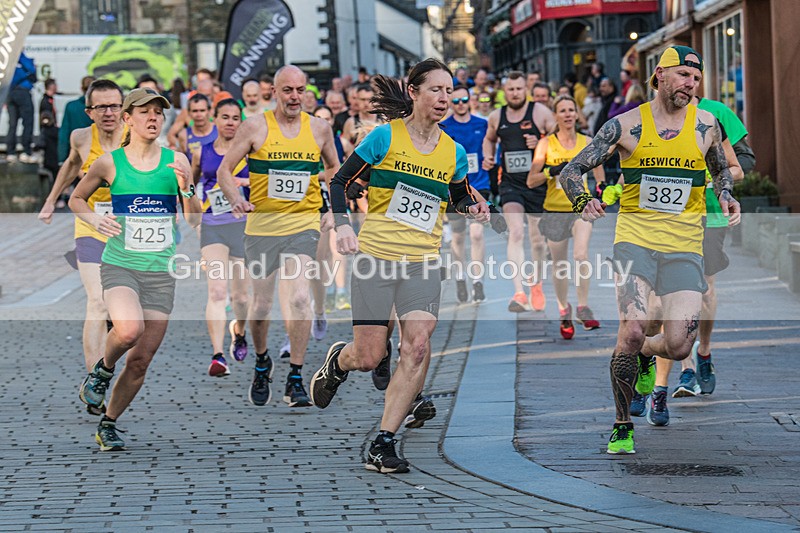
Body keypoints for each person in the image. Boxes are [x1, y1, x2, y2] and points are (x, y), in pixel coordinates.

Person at [309, 59, 491, 474]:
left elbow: (458, 196)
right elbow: (339, 182)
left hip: (423, 261)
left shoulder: (454, 152)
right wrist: (341, 226)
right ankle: (340, 360)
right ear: (413, 92)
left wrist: (474, 207)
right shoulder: (383, 138)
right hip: (376, 258)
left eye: (450, 91)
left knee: (418, 345)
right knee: (371, 356)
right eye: (436, 90)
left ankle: (384, 440)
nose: (444, 98)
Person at [559, 45, 740, 455]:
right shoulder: (625, 125)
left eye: (695, 78)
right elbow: (572, 170)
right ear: (659, 75)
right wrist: (581, 200)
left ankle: (645, 356)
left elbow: (719, 169)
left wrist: (726, 194)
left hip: (684, 248)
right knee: (633, 329)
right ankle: (622, 425)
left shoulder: (707, 124)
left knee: (678, 345)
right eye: (682, 76)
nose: (690, 84)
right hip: (635, 243)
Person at [70, 87, 201, 451]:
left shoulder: (175, 159)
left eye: (158, 112)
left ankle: (108, 423)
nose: (153, 118)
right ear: (128, 118)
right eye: (144, 112)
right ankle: (102, 369)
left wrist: (187, 186)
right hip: (120, 265)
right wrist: (96, 220)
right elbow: (76, 198)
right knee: (128, 331)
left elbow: (194, 219)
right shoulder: (111, 162)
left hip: (160, 272)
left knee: (141, 360)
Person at [216, 65, 340, 408]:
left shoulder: (320, 129)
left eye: (301, 90)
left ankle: (296, 376)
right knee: (260, 306)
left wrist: (331, 204)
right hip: (261, 228)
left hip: (302, 225)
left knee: (300, 298)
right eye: (288, 90)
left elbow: (334, 169)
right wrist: (236, 199)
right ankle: (261, 360)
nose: (295, 97)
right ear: (275, 92)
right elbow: (225, 170)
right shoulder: (255, 127)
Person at [644, 93, 752, 421]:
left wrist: (711, 177)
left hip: (709, 215)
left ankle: (702, 351)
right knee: (669, 298)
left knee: (703, 291)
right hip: (667, 220)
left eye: (691, 76)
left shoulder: (714, 115)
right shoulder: (649, 118)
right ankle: (682, 371)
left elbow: (741, 166)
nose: (685, 84)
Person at [38, 80, 127, 415]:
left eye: (115, 106)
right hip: (90, 223)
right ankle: (97, 382)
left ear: (124, 108)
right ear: (89, 111)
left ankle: (106, 362)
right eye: (101, 107)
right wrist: (50, 201)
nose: (109, 113)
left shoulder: (136, 138)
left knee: (123, 316)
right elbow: (72, 165)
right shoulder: (81, 137)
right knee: (97, 301)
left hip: (127, 230)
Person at [527, 95, 603, 339]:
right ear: (556, 115)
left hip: (581, 210)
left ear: (577, 114)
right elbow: (531, 180)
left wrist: (601, 192)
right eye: (563, 110)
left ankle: (582, 306)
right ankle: (564, 308)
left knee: (581, 254)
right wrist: (552, 171)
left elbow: (600, 178)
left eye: (572, 110)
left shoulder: (588, 142)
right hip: (555, 210)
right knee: (559, 265)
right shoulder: (546, 144)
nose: (568, 114)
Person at [482, 70, 556, 313]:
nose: (515, 93)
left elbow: (560, 140)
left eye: (519, 88)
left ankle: (535, 284)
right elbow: (489, 139)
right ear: (505, 91)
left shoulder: (540, 112)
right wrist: (488, 156)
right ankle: (519, 292)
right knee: (515, 232)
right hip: (510, 184)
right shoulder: (496, 116)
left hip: (536, 183)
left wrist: (542, 142)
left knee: (537, 241)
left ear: (526, 89)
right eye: (510, 89)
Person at [191, 98, 252, 377]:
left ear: (241, 121)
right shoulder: (201, 152)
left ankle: (238, 330)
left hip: (242, 227)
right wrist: (194, 219)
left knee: (241, 297)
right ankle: (217, 356)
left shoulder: (251, 153)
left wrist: (242, 183)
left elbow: (264, 184)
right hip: (213, 225)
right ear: (215, 119)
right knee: (217, 291)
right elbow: (191, 186)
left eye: (234, 117)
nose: (229, 122)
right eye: (224, 117)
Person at [440, 85, 490, 303]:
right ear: (451, 102)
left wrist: (490, 160)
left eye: (464, 100)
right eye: (456, 101)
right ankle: (460, 278)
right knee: (458, 237)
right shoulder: (444, 126)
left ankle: (477, 281)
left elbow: (491, 148)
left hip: (480, 183)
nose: (460, 104)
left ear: (471, 101)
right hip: (456, 188)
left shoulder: (482, 124)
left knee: (477, 234)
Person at [6, 51, 37, 162]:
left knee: (12, 124)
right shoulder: (20, 56)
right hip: (23, 91)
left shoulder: (5, 58)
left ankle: (11, 152)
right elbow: (32, 71)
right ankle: (26, 152)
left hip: (8, 92)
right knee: (28, 122)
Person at [58, 76, 96, 165]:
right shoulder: (101, 108)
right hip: (97, 154)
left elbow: (64, 133)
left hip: (75, 154)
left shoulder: (71, 106)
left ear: (81, 88)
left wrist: (62, 158)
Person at [178, 93, 217, 162]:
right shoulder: (184, 135)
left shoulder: (219, 131)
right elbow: (182, 163)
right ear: (189, 113)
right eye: (195, 111)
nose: (199, 115)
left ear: (209, 111)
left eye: (202, 110)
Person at [39, 78, 60, 180]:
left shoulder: (49, 100)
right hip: (50, 135)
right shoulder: (46, 101)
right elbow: (45, 119)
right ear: (51, 86)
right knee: (52, 162)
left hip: (50, 133)